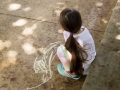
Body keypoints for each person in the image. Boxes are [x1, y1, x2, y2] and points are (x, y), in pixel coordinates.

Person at [57, 8, 96, 80]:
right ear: (80, 22)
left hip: (81, 68)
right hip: (90, 62)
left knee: (60, 50)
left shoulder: (69, 35)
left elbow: (71, 51)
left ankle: (72, 73)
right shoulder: (84, 29)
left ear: (63, 26)